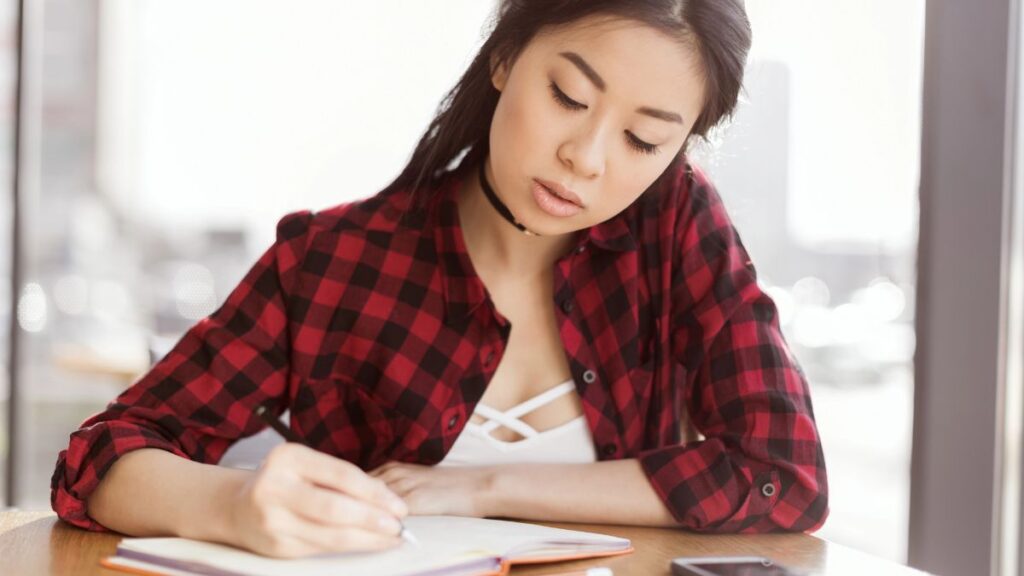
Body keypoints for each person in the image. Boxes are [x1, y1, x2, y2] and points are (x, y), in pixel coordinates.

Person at [51, 0, 829, 559]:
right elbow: (99, 461)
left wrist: (481, 486)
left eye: (643, 138)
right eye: (567, 96)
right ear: (503, 57)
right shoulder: (335, 260)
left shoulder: (676, 230)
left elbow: (782, 477)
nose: (587, 159)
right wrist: (233, 504)